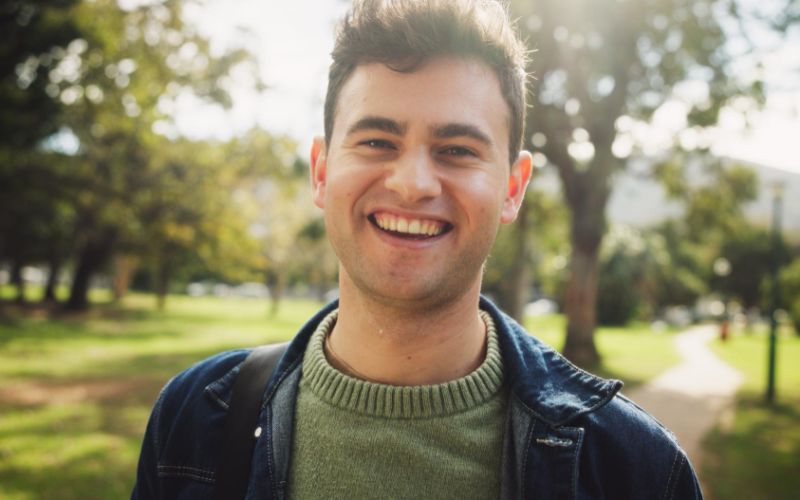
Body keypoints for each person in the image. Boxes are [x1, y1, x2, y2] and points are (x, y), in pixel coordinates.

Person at [132, 0, 703, 498]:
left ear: (512, 188)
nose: (412, 184)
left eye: (456, 150)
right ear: (321, 171)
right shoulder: (193, 421)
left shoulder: (640, 470)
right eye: (377, 141)